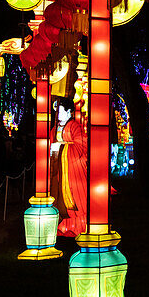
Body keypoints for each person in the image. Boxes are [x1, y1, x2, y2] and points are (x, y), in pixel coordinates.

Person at [50, 96, 87, 238]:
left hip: (73, 171)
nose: (58, 115)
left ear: (69, 111)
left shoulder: (74, 126)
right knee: (59, 195)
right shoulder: (56, 127)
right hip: (59, 169)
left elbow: (81, 145)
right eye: (57, 112)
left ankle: (79, 226)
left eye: (60, 111)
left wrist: (60, 147)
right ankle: (64, 225)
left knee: (75, 197)